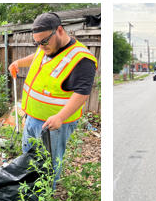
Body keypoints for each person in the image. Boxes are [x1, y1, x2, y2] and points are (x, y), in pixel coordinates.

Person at [7, 12, 97, 186]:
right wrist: (18, 62)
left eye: (44, 41)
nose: (41, 46)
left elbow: (82, 94)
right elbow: (37, 58)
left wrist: (60, 117)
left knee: (50, 162)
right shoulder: (46, 47)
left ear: (60, 31)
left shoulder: (82, 59)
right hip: (33, 117)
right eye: (37, 43)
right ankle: (30, 188)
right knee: (29, 156)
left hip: (54, 124)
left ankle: (45, 197)